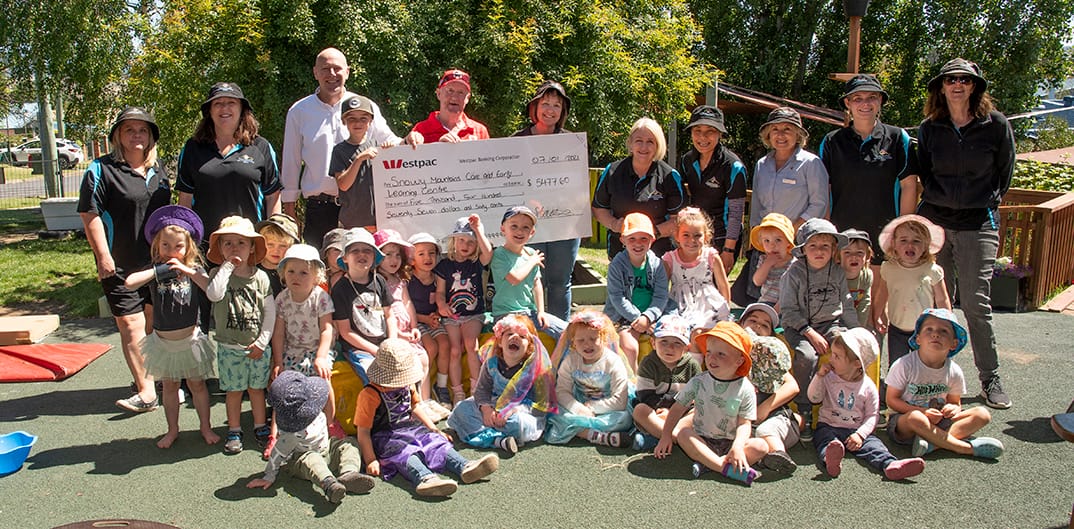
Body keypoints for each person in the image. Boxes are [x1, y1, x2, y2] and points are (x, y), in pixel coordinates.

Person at [915, 58, 1015, 410]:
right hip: (937, 222)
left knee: (975, 303)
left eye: (965, 80)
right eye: (950, 80)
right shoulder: (930, 128)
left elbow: (1005, 174)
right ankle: (931, 379)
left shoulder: (996, 125)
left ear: (975, 87)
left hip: (978, 224)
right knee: (937, 306)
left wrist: (978, 201)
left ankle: (989, 378)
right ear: (941, 87)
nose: (957, 85)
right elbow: (924, 173)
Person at [77, 106, 171, 413]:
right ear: (118, 135)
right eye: (129, 129)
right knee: (130, 325)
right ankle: (146, 393)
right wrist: (103, 256)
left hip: (156, 264)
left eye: (142, 130)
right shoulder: (100, 170)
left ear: (151, 136)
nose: (136, 135)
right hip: (119, 264)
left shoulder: (160, 172)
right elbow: (89, 214)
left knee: (151, 326)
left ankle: (149, 378)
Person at [281, 48, 420, 246]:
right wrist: (290, 211)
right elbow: (291, 162)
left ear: (347, 72)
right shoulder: (299, 111)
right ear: (315, 72)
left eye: (337, 68)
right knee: (320, 272)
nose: (331, 74)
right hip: (320, 209)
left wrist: (409, 140)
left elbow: (389, 141)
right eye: (325, 69)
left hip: (361, 210)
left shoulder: (365, 106)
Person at [354, 339, 500, 497]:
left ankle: (464, 465)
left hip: (409, 428)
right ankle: (425, 478)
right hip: (386, 437)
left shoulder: (406, 384)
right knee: (406, 453)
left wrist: (434, 429)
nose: (402, 382)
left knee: (434, 441)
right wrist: (370, 459)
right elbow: (363, 431)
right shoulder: (369, 395)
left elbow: (415, 407)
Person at [123, 206, 216, 448]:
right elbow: (130, 283)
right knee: (171, 387)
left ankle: (205, 427)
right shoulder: (155, 267)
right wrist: (156, 272)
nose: (171, 252)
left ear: (188, 248)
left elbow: (211, 289)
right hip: (163, 343)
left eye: (178, 247)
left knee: (197, 385)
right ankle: (172, 430)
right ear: (157, 244)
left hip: (191, 340)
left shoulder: (194, 269)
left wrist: (189, 271)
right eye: (165, 245)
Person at [820, 75, 918, 268]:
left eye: (871, 97)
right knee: (845, 296)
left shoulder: (898, 138)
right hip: (843, 237)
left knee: (881, 297)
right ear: (847, 103)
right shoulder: (832, 141)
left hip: (885, 237)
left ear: (880, 100)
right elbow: (825, 190)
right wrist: (827, 234)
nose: (865, 104)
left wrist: (903, 233)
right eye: (857, 98)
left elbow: (909, 185)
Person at [735, 107, 828, 306]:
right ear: (768, 134)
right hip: (767, 243)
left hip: (797, 242)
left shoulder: (811, 164)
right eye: (775, 129)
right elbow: (758, 203)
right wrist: (757, 237)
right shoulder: (762, 164)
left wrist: (790, 233)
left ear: (798, 134)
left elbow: (819, 204)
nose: (781, 134)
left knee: (793, 296)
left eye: (787, 129)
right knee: (761, 294)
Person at [654, 322, 766, 486]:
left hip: (731, 442)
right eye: (709, 352)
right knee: (684, 434)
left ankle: (708, 464)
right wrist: (665, 436)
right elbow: (677, 409)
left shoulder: (745, 388)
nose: (712, 358)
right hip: (703, 439)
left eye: (721, 354)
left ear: (739, 361)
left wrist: (737, 446)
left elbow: (744, 424)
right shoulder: (699, 381)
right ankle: (724, 468)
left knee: (761, 446)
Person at [885, 308, 1004, 460]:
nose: (936, 334)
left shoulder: (954, 371)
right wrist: (922, 412)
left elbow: (955, 403)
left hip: (938, 421)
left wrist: (952, 408)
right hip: (905, 423)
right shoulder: (904, 365)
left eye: (943, 331)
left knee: (982, 414)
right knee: (916, 417)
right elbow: (892, 400)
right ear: (918, 339)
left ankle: (932, 444)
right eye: (929, 329)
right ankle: (964, 448)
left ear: (954, 343)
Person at [778, 218, 858, 441]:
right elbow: (788, 311)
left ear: (834, 249)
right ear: (803, 250)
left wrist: (857, 332)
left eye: (825, 246)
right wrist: (809, 332)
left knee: (849, 348)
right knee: (806, 355)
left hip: (830, 323)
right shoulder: (793, 274)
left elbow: (847, 306)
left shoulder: (838, 272)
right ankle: (804, 405)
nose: (819, 251)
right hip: (800, 326)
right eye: (813, 245)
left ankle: (845, 403)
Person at [808, 328, 925, 480]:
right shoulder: (829, 377)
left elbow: (872, 415)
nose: (831, 359)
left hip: (856, 429)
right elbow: (814, 398)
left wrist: (860, 435)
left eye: (837, 356)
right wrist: (819, 376)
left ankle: (890, 464)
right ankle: (830, 459)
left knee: (874, 445)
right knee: (824, 439)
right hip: (830, 425)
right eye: (832, 354)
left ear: (857, 363)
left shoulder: (868, 386)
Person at [246, 370, 376, 504]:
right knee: (312, 458)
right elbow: (277, 453)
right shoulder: (291, 434)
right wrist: (269, 476)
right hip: (302, 460)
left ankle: (349, 473)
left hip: (326, 449)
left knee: (349, 443)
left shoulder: (314, 410)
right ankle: (329, 484)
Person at [204, 216, 276, 455]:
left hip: (256, 346)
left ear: (252, 247)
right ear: (220, 248)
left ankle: (259, 425)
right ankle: (234, 429)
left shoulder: (262, 277)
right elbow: (214, 295)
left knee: (257, 390)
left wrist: (262, 342)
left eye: (241, 243)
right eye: (228, 243)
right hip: (229, 347)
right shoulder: (219, 274)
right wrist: (227, 267)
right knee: (233, 391)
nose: (235, 248)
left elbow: (270, 314)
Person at [177, 82, 282, 241]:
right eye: (218, 104)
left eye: (231, 103)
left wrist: (272, 239)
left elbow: (273, 198)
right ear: (209, 111)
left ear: (242, 109)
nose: (224, 108)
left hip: (250, 245)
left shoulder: (261, 147)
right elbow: (185, 200)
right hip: (205, 244)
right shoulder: (192, 148)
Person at [266, 244, 342, 458]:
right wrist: (278, 361)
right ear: (283, 274)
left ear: (316, 276)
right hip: (292, 351)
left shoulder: (321, 297)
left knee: (323, 380)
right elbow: (278, 333)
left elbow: (327, 329)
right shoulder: (282, 299)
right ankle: (275, 434)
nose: (295, 277)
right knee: (281, 388)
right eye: (290, 271)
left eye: (303, 272)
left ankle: (330, 423)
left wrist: (321, 356)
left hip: (316, 350)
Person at [512, 80, 578, 320]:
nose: (550, 110)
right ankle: (529, 331)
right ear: (535, 106)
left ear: (563, 112)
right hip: (527, 225)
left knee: (560, 282)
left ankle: (561, 332)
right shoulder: (516, 141)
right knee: (530, 277)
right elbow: (509, 182)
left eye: (557, 106)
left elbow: (576, 183)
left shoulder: (573, 143)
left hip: (564, 224)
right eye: (546, 103)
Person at [447, 314, 557, 454]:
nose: (514, 337)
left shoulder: (534, 369)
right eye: (509, 334)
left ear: (530, 346)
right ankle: (498, 440)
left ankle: (488, 433)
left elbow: (541, 405)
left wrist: (515, 410)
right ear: (500, 341)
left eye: (522, 337)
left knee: (517, 423)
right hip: (494, 406)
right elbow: (481, 391)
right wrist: (486, 409)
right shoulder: (491, 364)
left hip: (519, 412)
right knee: (462, 409)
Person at [374, 229, 449, 422]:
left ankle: (425, 400)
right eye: (387, 255)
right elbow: (382, 314)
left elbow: (408, 304)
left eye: (397, 255)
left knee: (423, 357)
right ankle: (412, 404)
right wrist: (399, 334)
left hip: (408, 329)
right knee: (411, 362)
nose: (393, 260)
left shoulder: (399, 280)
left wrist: (414, 326)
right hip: (393, 333)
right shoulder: (376, 281)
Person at [592, 117, 686, 258]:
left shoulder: (669, 176)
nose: (644, 147)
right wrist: (614, 224)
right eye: (639, 141)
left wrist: (651, 232)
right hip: (620, 252)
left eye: (650, 142)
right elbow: (598, 208)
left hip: (658, 254)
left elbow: (679, 219)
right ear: (630, 143)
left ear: (658, 145)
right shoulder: (612, 171)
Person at [873, 214, 952, 367]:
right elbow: (882, 293)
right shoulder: (889, 268)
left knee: (924, 365)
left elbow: (942, 299)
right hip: (897, 328)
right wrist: (878, 314)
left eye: (916, 241)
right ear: (894, 244)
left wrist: (947, 322)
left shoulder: (932, 270)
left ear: (926, 246)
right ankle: (896, 390)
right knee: (897, 366)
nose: (910, 245)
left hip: (924, 330)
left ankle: (923, 388)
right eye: (903, 240)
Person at [545, 311, 632, 446]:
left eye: (593, 339)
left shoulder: (613, 362)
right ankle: (594, 435)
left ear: (603, 338)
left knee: (624, 419)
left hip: (608, 407)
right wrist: (578, 409)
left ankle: (580, 431)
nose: (587, 345)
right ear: (573, 342)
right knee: (556, 413)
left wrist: (593, 407)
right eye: (581, 340)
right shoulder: (571, 360)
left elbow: (620, 401)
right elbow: (561, 391)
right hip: (579, 403)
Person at [677, 105, 748, 273]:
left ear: (720, 134)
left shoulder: (733, 166)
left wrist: (729, 250)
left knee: (714, 291)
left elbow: (736, 212)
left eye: (710, 131)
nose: (703, 137)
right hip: (696, 235)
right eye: (697, 130)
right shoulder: (687, 161)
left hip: (723, 238)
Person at [434, 215, 493, 405]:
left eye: (470, 242)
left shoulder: (476, 263)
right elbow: (440, 292)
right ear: (454, 241)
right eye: (461, 240)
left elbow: (488, 253)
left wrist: (479, 231)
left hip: (473, 314)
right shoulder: (444, 265)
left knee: (470, 344)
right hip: (452, 316)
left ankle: (477, 389)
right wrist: (442, 306)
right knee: (454, 350)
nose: (465, 245)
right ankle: (457, 390)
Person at [602, 213, 670, 373]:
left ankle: (665, 382)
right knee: (630, 347)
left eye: (643, 239)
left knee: (671, 340)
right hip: (624, 317)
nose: (638, 244)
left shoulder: (657, 265)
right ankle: (632, 384)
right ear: (623, 240)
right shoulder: (616, 266)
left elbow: (661, 295)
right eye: (632, 239)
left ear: (652, 240)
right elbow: (617, 297)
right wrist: (637, 318)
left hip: (653, 316)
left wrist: (648, 317)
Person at [738, 303, 800, 475]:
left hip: (773, 417)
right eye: (752, 320)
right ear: (740, 324)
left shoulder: (769, 359)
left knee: (766, 430)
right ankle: (759, 457)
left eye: (765, 325)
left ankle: (778, 455)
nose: (757, 326)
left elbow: (792, 386)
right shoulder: (731, 354)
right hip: (743, 422)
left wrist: (764, 408)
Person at [490, 206, 567, 339]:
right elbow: (514, 279)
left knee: (568, 331)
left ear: (532, 232)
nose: (519, 231)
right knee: (518, 339)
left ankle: (558, 359)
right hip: (506, 313)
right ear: (503, 229)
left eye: (525, 227)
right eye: (514, 226)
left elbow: (537, 284)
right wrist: (532, 262)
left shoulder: (531, 253)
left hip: (530, 312)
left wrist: (541, 311)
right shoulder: (499, 254)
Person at [331, 228, 397, 383]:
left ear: (374, 256)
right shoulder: (340, 289)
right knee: (373, 374)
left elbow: (390, 315)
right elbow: (345, 332)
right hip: (358, 348)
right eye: (355, 251)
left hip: (384, 343)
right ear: (345, 258)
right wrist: (375, 350)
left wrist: (392, 342)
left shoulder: (379, 280)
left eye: (367, 250)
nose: (362, 254)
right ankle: (376, 407)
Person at [631, 315, 702, 451]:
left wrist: (673, 411)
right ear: (653, 343)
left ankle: (657, 436)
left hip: (682, 411)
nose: (670, 348)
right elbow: (645, 395)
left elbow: (697, 396)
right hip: (656, 410)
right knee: (640, 410)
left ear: (687, 347)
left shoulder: (692, 365)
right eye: (664, 342)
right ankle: (678, 439)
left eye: (677, 343)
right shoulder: (648, 363)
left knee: (700, 412)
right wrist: (662, 410)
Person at [662, 207, 731, 335]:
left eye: (697, 235)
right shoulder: (670, 259)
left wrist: (726, 308)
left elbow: (723, 285)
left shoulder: (711, 256)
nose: (692, 240)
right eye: (686, 235)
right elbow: (662, 287)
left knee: (708, 329)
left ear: (706, 236)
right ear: (677, 236)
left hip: (708, 304)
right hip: (680, 303)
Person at [331, 95, 392, 231]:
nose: (358, 123)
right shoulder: (339, 150)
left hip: (379, 222)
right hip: (352, 223)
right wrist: (359, 159)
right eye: (352, 119)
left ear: (370, 121)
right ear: (344, 121)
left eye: (363, 119)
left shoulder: (378, 147)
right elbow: (343, 185)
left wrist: (388, 152)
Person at [407, 233, 452, 410]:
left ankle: (440, 386)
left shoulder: (438, 278)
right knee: (431, 347)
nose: (427, 258)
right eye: (421, 254)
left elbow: (441, 301)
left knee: (445, 343)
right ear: (412, 258)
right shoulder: (408, 279)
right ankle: (420, 387)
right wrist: (424, 318)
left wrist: (436, 316)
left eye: (431, 253)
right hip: (416, 322)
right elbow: (405, 309)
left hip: (433, 320)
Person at [411, 69, 490, 143]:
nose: (454, 97)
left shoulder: (479, 131)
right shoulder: (421, 129)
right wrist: (438, 147)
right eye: (450, 91)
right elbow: (407, 156)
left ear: (467, 98)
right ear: (438, 94)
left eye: (461, 92)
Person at [749, 213, 796, 307]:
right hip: (765, 301)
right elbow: (757, 281)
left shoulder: (794, 263)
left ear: (788, 242)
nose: (772, 245)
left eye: (778, 240)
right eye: (767, 241)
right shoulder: (763, 259)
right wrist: (767, 264)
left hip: (788, 304)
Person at [256, 213, 300, 296]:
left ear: (291, 247)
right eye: (270, 244)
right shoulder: (252, 271)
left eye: (282, 246)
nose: (276, 250)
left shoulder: (295, 273)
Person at [840, 229, 874, 330]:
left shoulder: (867, 275)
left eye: (859, 252)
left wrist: (859, 328)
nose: (853, 257)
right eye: (847, 252)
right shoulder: (834, 276)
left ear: (867, 256)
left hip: (855, 321)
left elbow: (865, 303)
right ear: (838, 255)